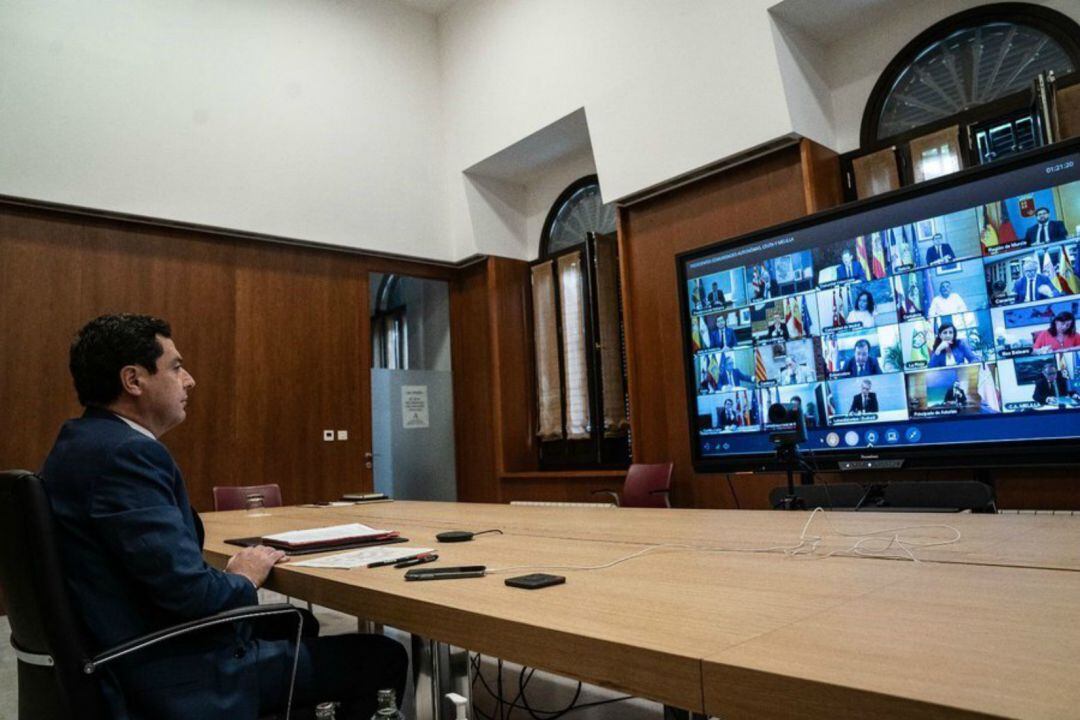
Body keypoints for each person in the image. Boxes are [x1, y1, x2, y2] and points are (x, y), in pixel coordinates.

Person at [41, 314, 407, 720]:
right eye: (176, 367)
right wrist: (242, 576)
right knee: (382, 655)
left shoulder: (79, 442)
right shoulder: (126, 455)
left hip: (120, 645)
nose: (190, 380)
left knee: (294, 621)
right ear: (133, 380)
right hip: (168, 673)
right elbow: (189, 593)